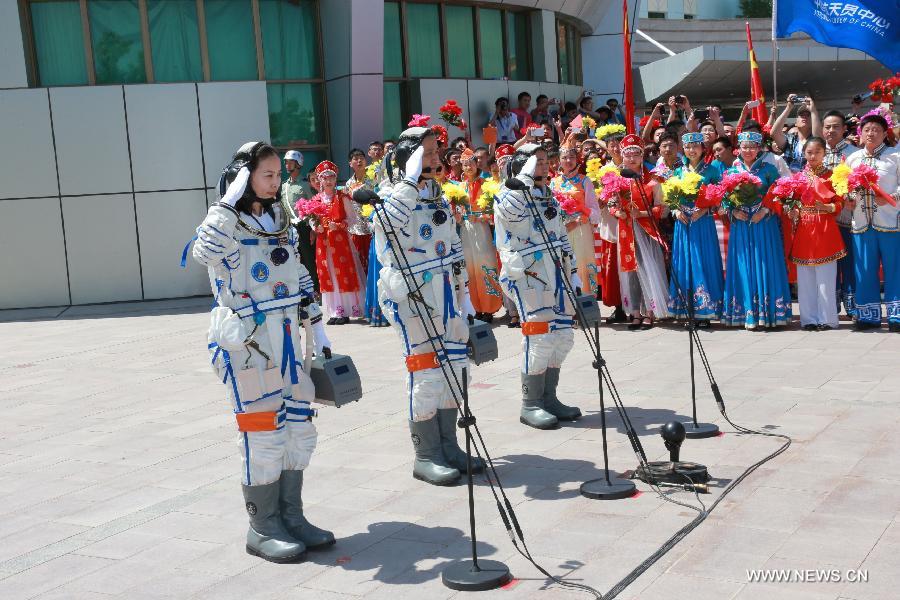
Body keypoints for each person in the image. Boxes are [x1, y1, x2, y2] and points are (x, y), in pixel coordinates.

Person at [192, 142, 334, 563]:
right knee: (263, 433)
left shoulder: (279, 222)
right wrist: (228, 200)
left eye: (278, 175)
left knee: (297, 428)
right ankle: (262, 524)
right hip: (250, 344)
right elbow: (203, 252)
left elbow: (299, 273)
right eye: (267, 175)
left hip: (288, 339)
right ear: (244, 177)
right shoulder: (226, 224)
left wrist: (319, 328)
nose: (276, 183)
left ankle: (292, 515)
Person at [371, 126, 483, 485]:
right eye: (428, 153)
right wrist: (409, 178)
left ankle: (449, 446)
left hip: (447, 293)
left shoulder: (436, 194)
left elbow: (451, 243)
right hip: (412, 295)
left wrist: (463, 297)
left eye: (436, 152)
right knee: (427, 374)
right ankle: (427, 453)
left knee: (455, 370)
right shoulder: (390, 195)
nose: (436, 158)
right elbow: (387, 226)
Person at [495, 144, 582, 429]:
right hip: (528, 274)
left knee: (562, 336)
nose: (544, 165)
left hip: (556, 270)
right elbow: (513, 215)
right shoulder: (509, 193)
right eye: (537, 161)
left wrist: (575, 276)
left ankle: (549, 397)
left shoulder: (548, 195)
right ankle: (530, 403)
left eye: (545, 161)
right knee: (539, 338)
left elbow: (560, 234)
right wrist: (526, 177)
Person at [722, 132, 792, 330]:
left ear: (759, 148)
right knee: (743, 264)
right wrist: (733, 210)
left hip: (764, 222)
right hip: (742, 223)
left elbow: (779, 193)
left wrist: (766, 209)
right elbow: (723, 197)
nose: (748, 150)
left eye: (753, 146)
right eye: (745, 146)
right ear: (739, 148)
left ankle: (771, 313)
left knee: (765, 261)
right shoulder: (731, 171)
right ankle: (747, 313)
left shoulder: (769, 169)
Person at [845, 112, 900, 331]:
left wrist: (891, 198)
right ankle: (868, 316)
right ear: (860, 133)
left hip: (890, 222)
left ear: (885, 134)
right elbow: (844, 186)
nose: (871, 133)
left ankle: (896, 317)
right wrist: (847, 198)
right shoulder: (852, 159)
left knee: (894, 269)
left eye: (877, 130)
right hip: (861, 222)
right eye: (867, 129)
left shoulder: (895, 157)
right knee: (864, 270)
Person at [610, 135, 670, 330]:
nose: (632, 159)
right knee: (630, 271)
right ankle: (635, 312)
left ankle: (650, 312)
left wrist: (643, 212)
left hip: (646, 229)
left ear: (642, 155)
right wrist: (616, 211)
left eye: (636, 154)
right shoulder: (616, 177)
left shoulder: (653, 178)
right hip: (626, 228)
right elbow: (611, 201)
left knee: (648, 267)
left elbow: (663, 208)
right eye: (628, 154)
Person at [785, 137, 846, 330]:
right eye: (809, 152)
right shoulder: (797, 178)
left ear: (824, 154)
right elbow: (791, 202)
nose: (812, 156)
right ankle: (809, 319)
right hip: (804, 229)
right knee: (806, 278)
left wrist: (826, 206)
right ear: (803, 154)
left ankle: (827, 319)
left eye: (817, 152)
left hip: (825, 227)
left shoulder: (832, 176)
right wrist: (792, 210)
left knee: (826, 278)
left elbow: (840, 203)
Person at [668, 132, 725, 326]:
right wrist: (676, 210)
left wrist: (706, 208)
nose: (692, 150)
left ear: (703, 148)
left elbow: (719, 197)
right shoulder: (678, 171)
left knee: (703, 261)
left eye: (695, 147)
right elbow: (670, 197)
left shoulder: (712, 170)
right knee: (684, 262)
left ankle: (706, 311)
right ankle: (687, 311)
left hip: (703, 222)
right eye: (688, 147)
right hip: (683, 222)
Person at [310, 161, 366, 324]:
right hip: (324, 242)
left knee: (343, 271)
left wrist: (339, 225)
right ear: (319, 180)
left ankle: (347, 310)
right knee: (328, 273)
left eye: (331, 177)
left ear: (335, 179)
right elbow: (311, 220)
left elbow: (352, 218)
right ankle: (335, 311)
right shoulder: (316, 199)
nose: (328, 181)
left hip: (340, 241)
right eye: (325, 178)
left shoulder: (342, 197)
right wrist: (316, 226)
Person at [550, 137, 601, 296]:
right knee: (563, 264)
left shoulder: (584, 181)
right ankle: (566, 307)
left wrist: (581, 210)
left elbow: (595, 211)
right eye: (564, 157)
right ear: (559, 161)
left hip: (581, 228)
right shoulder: (553, 183)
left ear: (577, 159)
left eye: (572, 157)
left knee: (582, 264)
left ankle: (586, 304)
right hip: (561, 230)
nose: (568, 160)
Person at [821, 110, 858, 318]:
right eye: (827, 126)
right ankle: (830, 308)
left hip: (847, 218)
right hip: (824, 220)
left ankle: (853, 307)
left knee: (850, 264)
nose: (831, 130)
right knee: (828, 265)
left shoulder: (854, 153)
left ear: (844, 129)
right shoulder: (817, 152)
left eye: (836, 126)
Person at [459, 148, 503, 321]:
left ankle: (489, 307)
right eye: (464, 164)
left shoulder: (487, 184)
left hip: (482, 229)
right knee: (469, 267)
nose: (468, 167)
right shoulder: (460, 186)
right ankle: (475, 307)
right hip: (465, 230)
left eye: (470, 163)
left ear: (477, 164)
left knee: (485, 264)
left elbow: (495, 211)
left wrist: (482, 216)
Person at [772, 94, 822, 173]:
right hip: (790, 182)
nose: (805, 117)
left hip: (810, 180)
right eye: (801, 115)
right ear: (795, 122)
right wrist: (789, 107)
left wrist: (813, 110)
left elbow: (819, 139)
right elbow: (774, 133)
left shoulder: (814, 140)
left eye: (808, 115)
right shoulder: (790, 139)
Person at [344, 149, 373, 274]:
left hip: (373, 228)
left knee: (373, 261)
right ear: (350, 163)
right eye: (355, 159)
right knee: (360, 264)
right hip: (356, 230)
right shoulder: (348, 184)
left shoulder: (374, 177)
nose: (359, 160)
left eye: (361, 157)